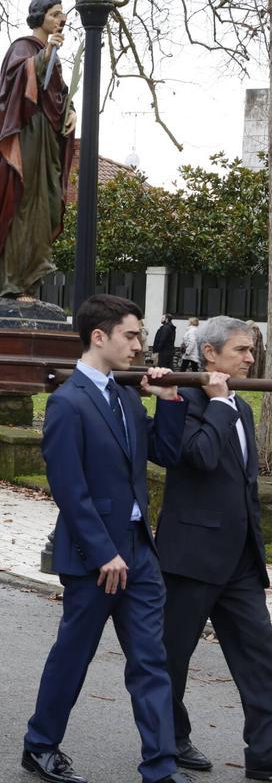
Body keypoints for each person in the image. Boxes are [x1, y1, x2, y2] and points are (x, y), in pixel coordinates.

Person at [22, 294, 190, 783]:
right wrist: (104, 554)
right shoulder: (67, 402)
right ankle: (40, 745)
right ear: (100, 337)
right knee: (73, 657)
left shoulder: (126, 397)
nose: (139, 345)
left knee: (150, 662)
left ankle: (160, 766)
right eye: (131, 335)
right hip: (94, 558)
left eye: (139, 335)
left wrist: (172, 403)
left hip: (139, 551)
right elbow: (69, 491)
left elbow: (165, 453)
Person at [156, 316, 272, 780]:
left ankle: (264, 756)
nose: (249, 358)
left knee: (261, 657)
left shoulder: (240, 407)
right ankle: (173, 739)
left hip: (241, 560)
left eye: (251, 350)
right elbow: (199, 457)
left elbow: (244, 484)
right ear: (210, 354)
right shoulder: (183, 399)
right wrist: (220, 405)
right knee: (171, 658)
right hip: (191, 558)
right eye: (241, 350)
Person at [0, 0, 77, 300]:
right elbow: (16, 84)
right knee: (23, 205)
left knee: (47, 205)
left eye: (62, 15)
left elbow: (59, 94)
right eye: (54, 14)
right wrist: (44, 55)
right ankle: (13, 282)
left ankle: (32, 279)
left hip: (47, 143)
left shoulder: (53, 55)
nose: (60, 19)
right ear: (39, 17)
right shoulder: (23, 48)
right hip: (25, 139)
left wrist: (72, 111)